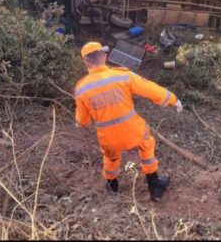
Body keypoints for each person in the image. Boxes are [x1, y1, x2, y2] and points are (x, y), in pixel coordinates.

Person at [74, 42, 183, 201]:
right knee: (146, 145)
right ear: (104, 57)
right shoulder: (123, 75)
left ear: (86, 63)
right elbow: (151, 90)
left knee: (110, 157)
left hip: (109, 138)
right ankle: (154, 185)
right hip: (134, 132)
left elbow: (83, 121)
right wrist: (173, 100)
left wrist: (80, 123)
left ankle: (112, 187)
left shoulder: (81, 88)